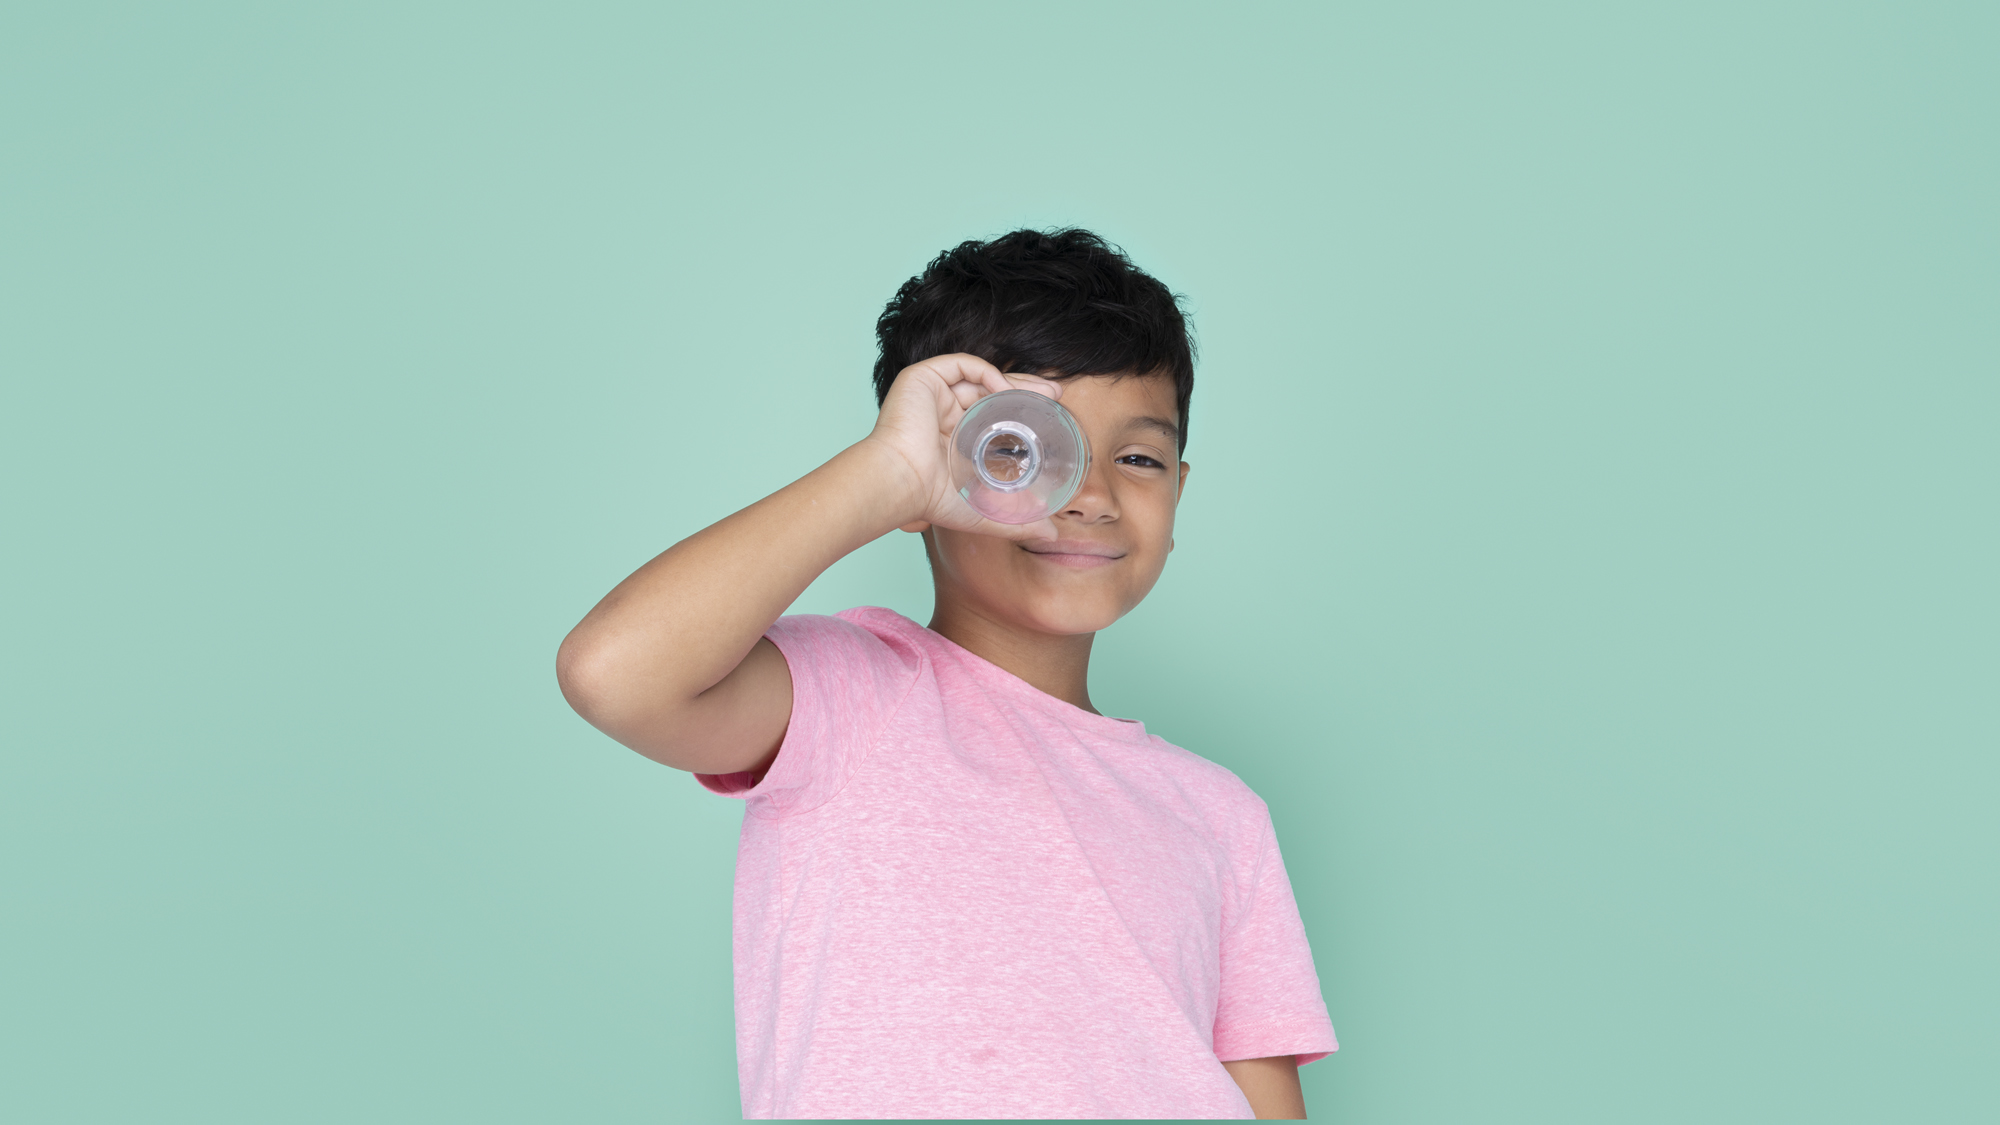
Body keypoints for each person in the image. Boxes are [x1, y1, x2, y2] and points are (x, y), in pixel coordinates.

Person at [556, 228, 1337, 1119]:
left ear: (1178, 492)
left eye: (1138, 457)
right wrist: (885, 473)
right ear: (931, 475)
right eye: (1023, 450)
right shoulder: (844, 698)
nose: (1089, 495)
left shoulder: (1223, 815)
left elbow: (1266, 1098)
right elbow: (612, 672)